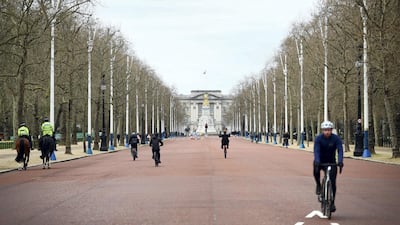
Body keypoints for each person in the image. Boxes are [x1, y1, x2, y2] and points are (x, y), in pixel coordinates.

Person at [313, 121, 344, 213]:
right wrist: (317, 161)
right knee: (315, 170)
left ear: (331, 130)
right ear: (323, 130)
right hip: (321, 161)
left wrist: (340, 161)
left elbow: (340, 150)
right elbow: (316, 151)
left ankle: (332, 202)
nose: (327, 132)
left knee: (333, 182)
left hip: (331, 162)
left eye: (329, 130)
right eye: (325, 130)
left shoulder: (336, 139)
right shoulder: (319, 139)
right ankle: (318, 185)